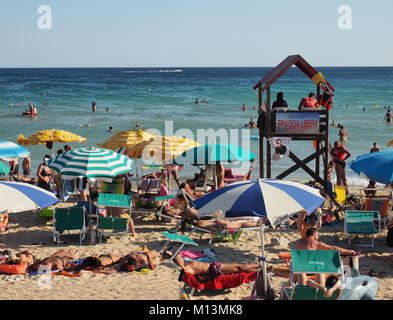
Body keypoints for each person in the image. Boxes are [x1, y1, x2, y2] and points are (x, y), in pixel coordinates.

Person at [162, 249, 273, 277]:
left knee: (237, 265)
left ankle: (256, 265)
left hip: (215, 266)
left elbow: (177, 257)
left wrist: (170, 255)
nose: (182, 259)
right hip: (215, 270)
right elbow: (184, 270)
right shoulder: (186, 269)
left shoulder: (186, 264)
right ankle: (264, 270)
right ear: (179, 263)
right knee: (240, 269)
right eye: (180, 259)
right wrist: (179, 262)